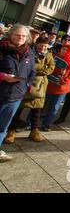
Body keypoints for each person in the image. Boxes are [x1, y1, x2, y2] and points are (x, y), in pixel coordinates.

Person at [0, 25, 36, 161]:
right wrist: (3, 76)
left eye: (23, 36)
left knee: (2, 126)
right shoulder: (2, 48)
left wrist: (26, 85)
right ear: (10, 35)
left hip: (15, 96)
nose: (20, 38)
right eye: (17, 35)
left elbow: (32, 72)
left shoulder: (29, 52)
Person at [41, 44, 70, 131]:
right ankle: (30, 123)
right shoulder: (52, 57)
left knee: (54, 108)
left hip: (62, 88)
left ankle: (47, 124)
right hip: (49, 85)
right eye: (63, 49)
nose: (65, 51)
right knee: (40, 105)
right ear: (60, 50)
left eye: (67, 50)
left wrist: (65, 79)